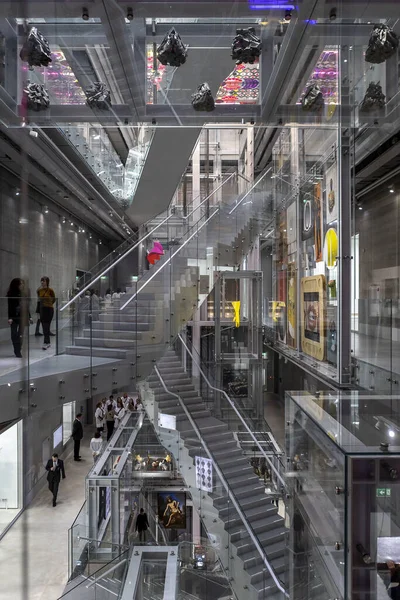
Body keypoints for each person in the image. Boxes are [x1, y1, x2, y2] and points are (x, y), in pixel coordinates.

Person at [7, 278, 32, 357]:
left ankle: (18, 350)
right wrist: (10, 317)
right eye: (21, 283)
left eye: (23, 283)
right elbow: (10, 307)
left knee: (20, 334)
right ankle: (16, 349)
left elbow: (26, 307)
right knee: (14, 334)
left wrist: (29, 317)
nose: (22, 285)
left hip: (22, 316)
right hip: (14, 316)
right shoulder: (11, 294)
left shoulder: (24, 294)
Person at [37, 276, 56, 350]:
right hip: (42, 309)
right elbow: (39, 300)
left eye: (44, 281)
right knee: (44, 326)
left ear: (47, 282)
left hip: (49, 309)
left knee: (47, 326)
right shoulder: (39, 290)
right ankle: (47, 342)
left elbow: (54, 299)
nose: (42, 282)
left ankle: (46, 342)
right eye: (41, 281)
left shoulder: (50, 290)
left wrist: (49, 304)